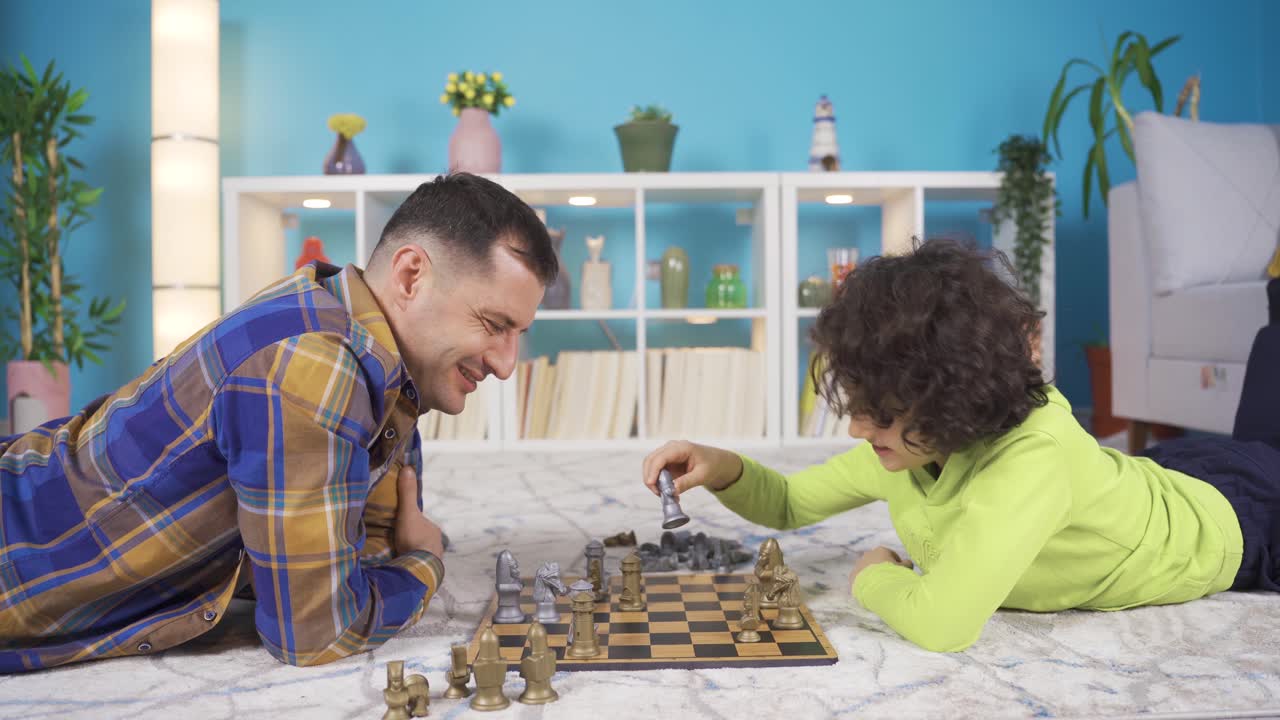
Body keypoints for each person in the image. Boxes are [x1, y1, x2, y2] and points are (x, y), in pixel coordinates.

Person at [0, 172, 557, 672]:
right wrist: (426, 560)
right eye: (493, 324)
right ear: (411, 276)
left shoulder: (365, 342)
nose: (507, 365)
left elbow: (363, 552)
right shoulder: (311, 365)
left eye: (518, 335)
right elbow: (317, 633)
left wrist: (387, 553)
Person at [642, 238, 1280, 653]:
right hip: (1150, 481)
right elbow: (788, 501)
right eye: (859, 407)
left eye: (881, 415)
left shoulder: (1031, 461)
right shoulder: (910, 446)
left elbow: (943, 625)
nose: (859, 431)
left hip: (1236, 522)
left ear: (956, 399)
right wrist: (721, 466)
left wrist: (873, 580)